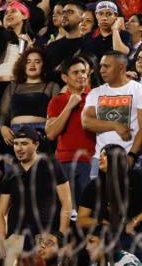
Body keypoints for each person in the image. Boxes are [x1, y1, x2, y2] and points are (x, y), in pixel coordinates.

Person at [0, 128, 72, 266]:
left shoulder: (52, 166)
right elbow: (1, 212)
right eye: (16, 144)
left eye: (24, 143)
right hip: (16, 236)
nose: (19, 148)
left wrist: (60, 236)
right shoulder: (11, 173)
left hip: (44, 235)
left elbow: (66, 203)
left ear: (36, 145)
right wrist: (2, 240)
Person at [77, 144, 142, 260]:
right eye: (100, 155)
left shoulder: (137, 176)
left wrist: (136, 220)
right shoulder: (94, 186)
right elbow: (81, 219)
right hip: (111, 238)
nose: (100, 158)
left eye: (105, 155)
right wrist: (103, 222)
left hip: (138, 235)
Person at [82, 51, 142, 171]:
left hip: (128, 157)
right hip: (100, 159)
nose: (101, 70)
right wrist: (115, 125)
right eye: (101, 66)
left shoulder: (141, 91)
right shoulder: (95, 92)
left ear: (121, 68)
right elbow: (86, 122)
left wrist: (132, 155)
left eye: (106, 66)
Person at [46, 56, 95, 201]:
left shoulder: (96, 96)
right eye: (75, 73)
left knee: (86, 210)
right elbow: (51, 133)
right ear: (64, 77)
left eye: (83, 72)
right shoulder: (57, 101)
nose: (81, 76)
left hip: (90, 161)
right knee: (65, 212)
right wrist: (69, 105)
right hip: (64, 162)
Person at [0, 48, 60, 148]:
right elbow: (3, 113)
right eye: (28, 62)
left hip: (40, 134)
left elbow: (56, 115)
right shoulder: (12, 87)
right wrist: (2, 128)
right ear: (23, 65)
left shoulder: (52, 86)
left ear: (43, 65)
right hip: (14, 134)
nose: (32, 65)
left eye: (37, 62)